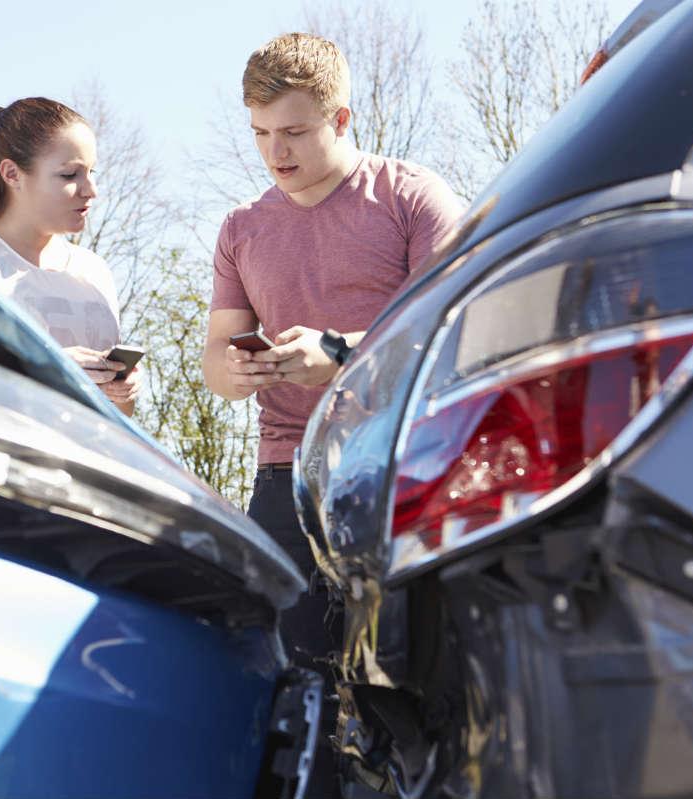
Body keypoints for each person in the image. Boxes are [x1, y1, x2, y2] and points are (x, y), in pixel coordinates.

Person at [201, 33, 464, 796]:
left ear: (341, 118)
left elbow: (450, 339)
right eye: (258, 133)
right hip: (285, 477)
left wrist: (345, 357)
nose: (273, 152)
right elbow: (216, 367)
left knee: (411, 692)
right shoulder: (240, 229)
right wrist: (240, 367)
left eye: (292, 131)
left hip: (399, 471)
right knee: (290, 693)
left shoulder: (413, 197)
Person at [0, 97, 140, 415]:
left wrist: (123, 391)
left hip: (87, 459)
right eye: (70, 175)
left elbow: (120, 415)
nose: (91, 190)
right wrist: (50, 369)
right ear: (12, 173)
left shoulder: (94, 270)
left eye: (91, 172)